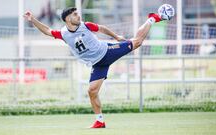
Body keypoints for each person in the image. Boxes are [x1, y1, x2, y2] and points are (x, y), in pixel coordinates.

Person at [24, 7, 169, 128]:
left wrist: (116, 37)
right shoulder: (63, 33)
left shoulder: (85, 25)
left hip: (107, 52)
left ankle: (152, 18)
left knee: (137, 43)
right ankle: (100, 121)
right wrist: (33, 20)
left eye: (77, 13)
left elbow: (102, 28)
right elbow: (47, 31)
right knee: (92, 91)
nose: (78, 15)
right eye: (75, 14)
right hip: (97, 64)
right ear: (68, 19)